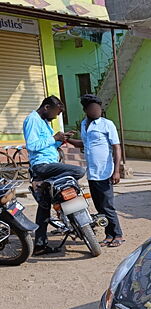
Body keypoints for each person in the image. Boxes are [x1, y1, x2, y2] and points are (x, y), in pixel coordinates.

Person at [23, 96, 85, 255]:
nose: (56, 117)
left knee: (44, 207)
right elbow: (32, 145)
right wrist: (54, 138)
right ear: (46, 107)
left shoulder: (43, 122)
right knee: (79, 171)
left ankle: (40, 245)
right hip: (42, 166)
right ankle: (47, 184)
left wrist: (61, 140)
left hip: (49, 164)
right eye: (55, 113)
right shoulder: (32, 120)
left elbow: (48, 146)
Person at [67, 94, 125, 248]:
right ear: (86, 110)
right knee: (99, 206)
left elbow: (116, 147)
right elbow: (84, 144)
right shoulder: (84, 125)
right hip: (92, 173)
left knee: (107, 206)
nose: (97, 110)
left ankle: (117, 234)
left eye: (99, 108)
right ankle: (108, 235)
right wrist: (66, 140)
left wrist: (117, 170)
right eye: (93, 108)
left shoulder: (107, 124)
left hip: (105, 171)